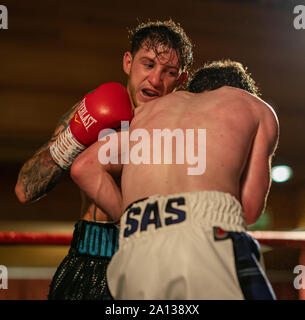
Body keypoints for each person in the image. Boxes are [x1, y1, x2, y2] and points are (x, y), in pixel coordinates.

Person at [14, 19, 193, 300]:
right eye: (148, 65)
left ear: (180, 80)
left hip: (155, 264)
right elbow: (25, 189)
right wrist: (74, 138)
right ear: (128, 62)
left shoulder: (183, 129)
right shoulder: (94, 108)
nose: (156, 80)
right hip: (90, 260)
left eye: (169, 72)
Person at [71, 60, 279, 299]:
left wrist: (133, 217)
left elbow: (84, 167)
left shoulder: (145, 113)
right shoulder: (254, 106)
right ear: (242, 90)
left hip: (135, 248)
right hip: (209, 239)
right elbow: (250, 210)